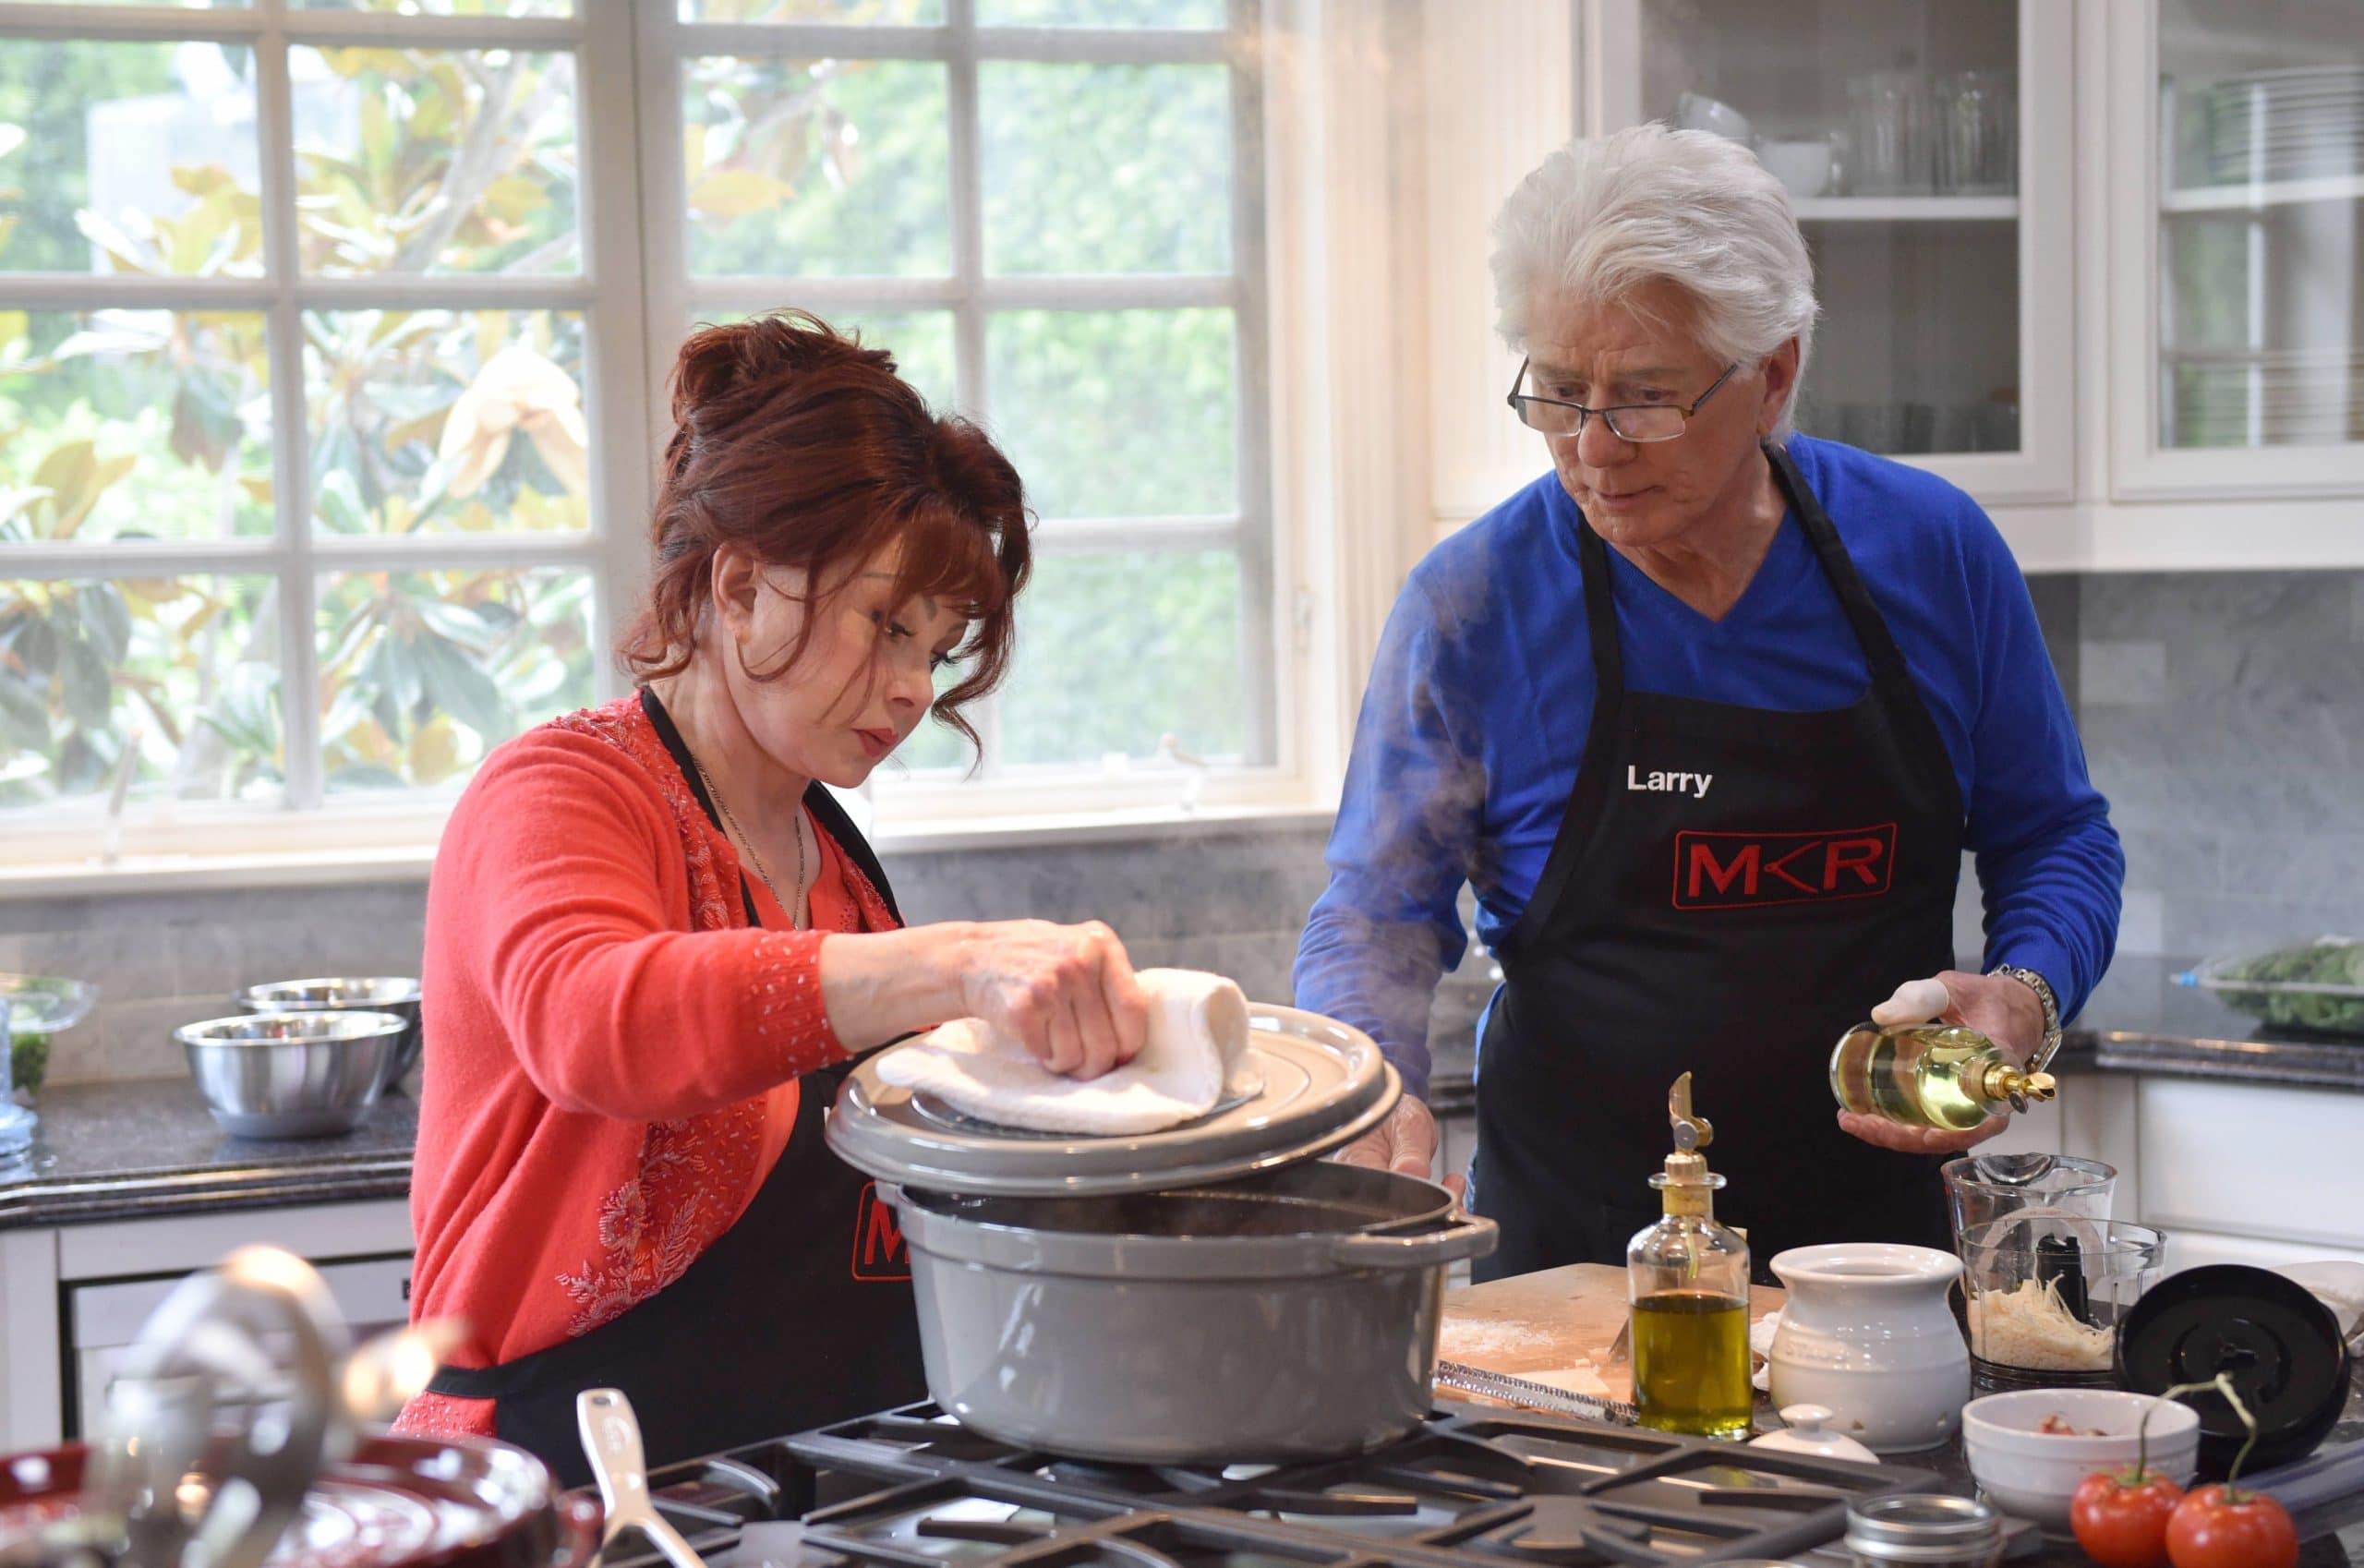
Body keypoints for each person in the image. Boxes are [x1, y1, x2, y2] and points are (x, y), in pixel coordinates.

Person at [1297, 126, 2124, 1280]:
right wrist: (1367, 1095)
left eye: (1644, 398)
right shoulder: (1474, 603)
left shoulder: (1930, 552)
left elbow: (2056, 838)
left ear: (1773, 373)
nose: (1590, 449)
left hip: (1877, 1267)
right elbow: (1376, 914)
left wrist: (2026, 995)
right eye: (1556, 392)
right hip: (1576, 1271)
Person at [393, 313, 1150, 1480]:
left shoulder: (837, 873)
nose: (909, 689)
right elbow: (595, 1020)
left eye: (938, 651)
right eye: (887, 625)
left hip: (829, 1487)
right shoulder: (560, 793)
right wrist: (958, 967)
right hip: (566, 1488)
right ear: (742, 586)